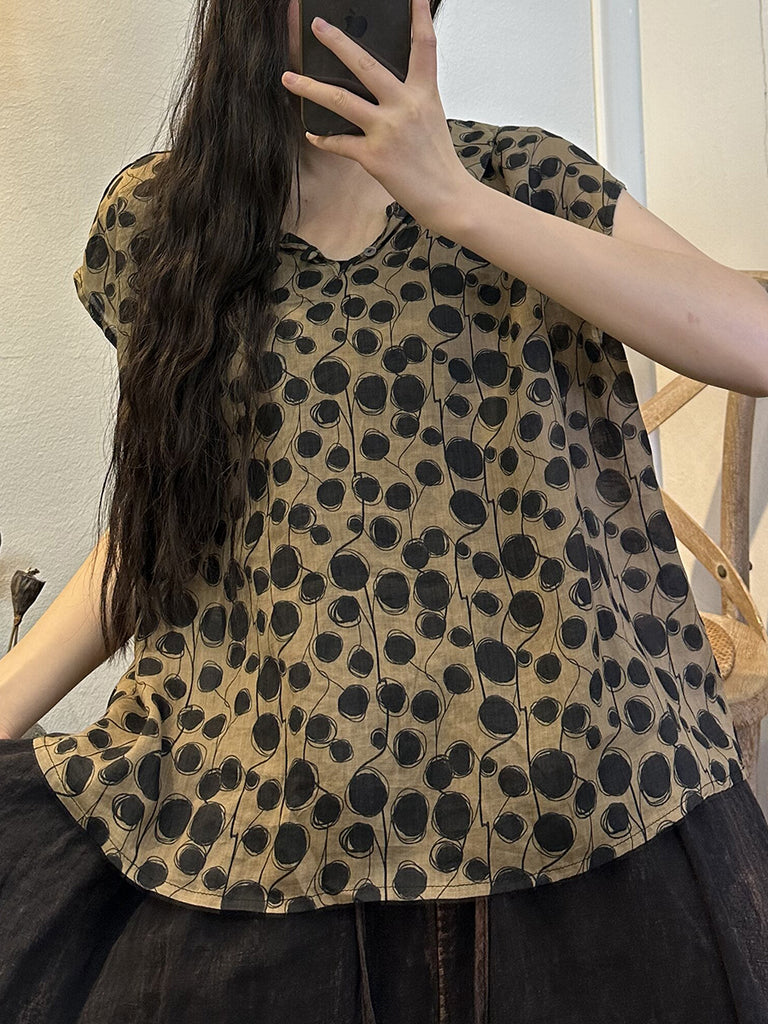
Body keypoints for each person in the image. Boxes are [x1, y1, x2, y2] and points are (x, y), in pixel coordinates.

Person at [2, 0, 768, 1021]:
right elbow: (163, 524)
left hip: (571, 806)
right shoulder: (164, 228)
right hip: (261, 822)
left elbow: (755, 341)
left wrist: (456, 202)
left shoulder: (524, 180)